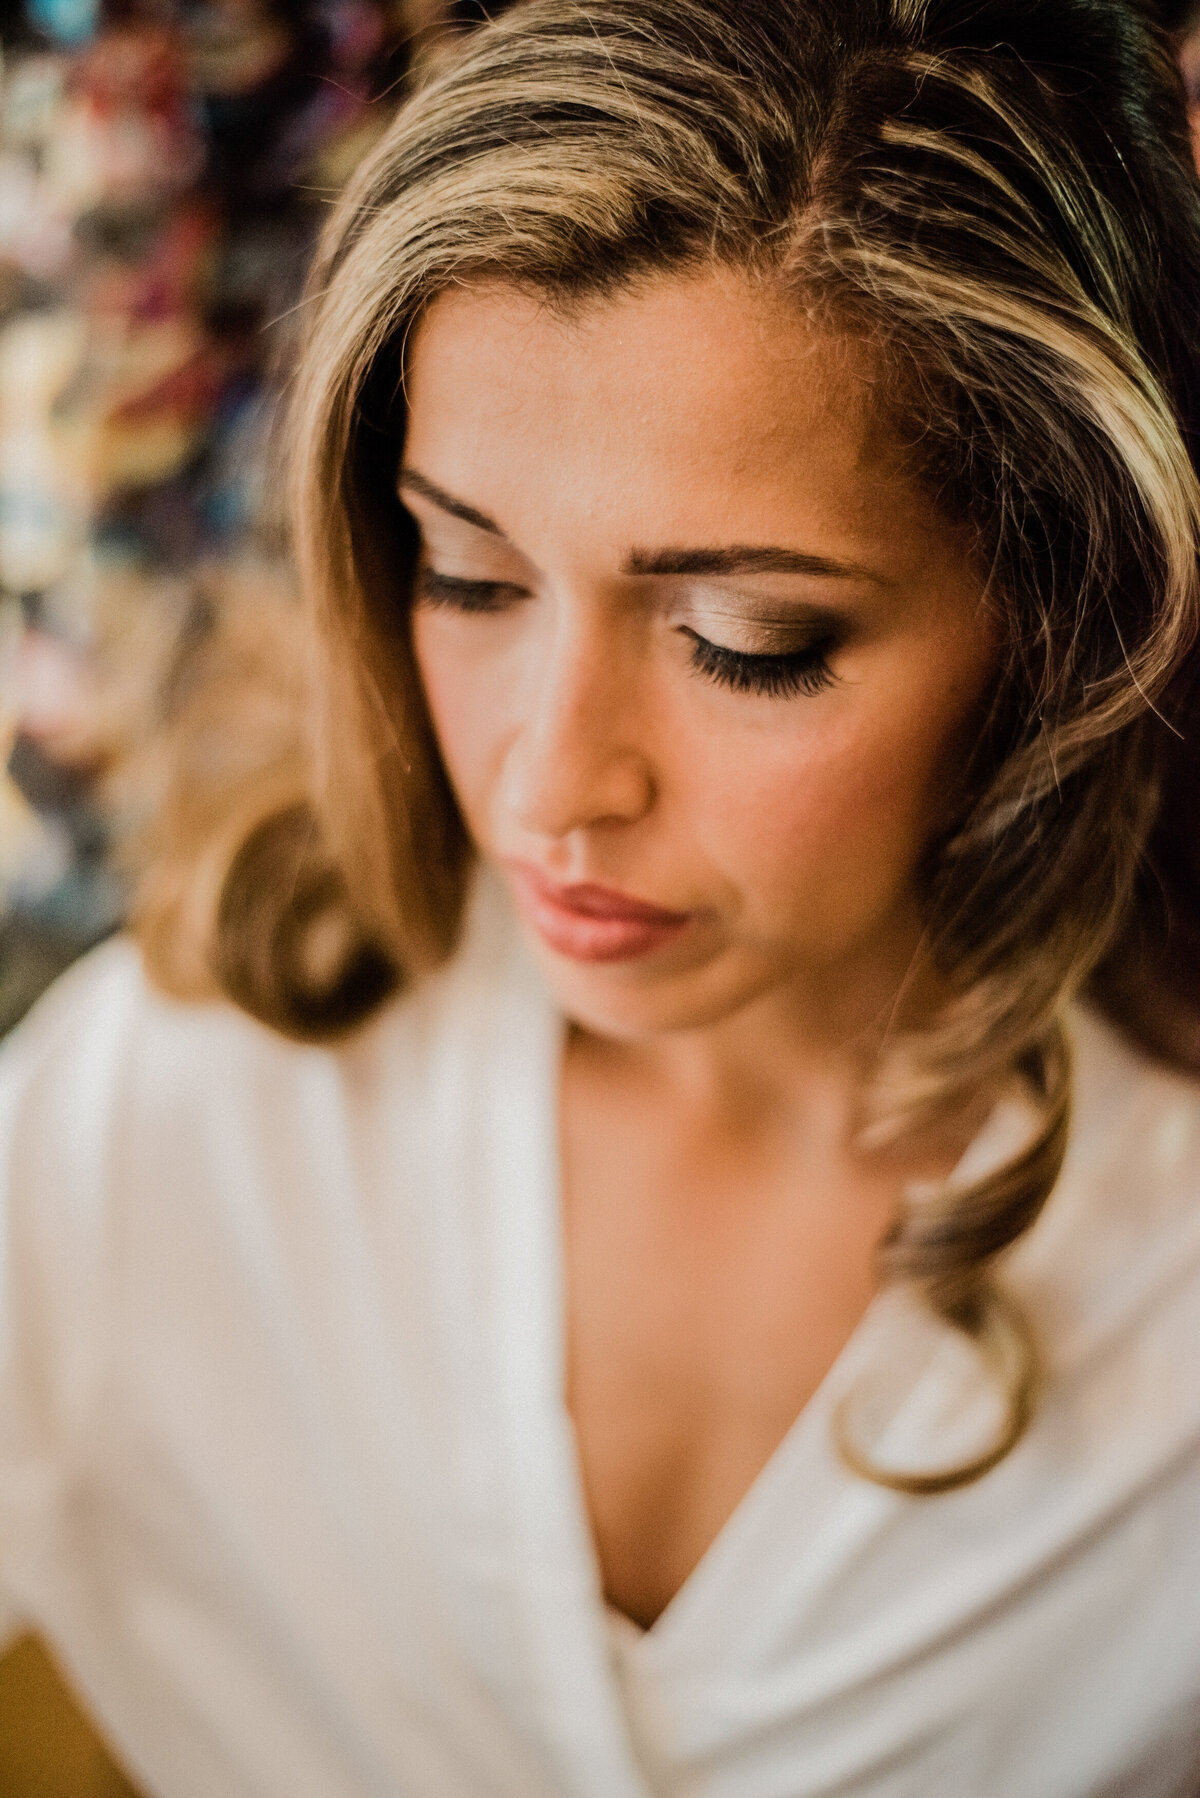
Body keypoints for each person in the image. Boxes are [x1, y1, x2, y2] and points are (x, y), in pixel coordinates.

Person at [2, 1, 1200, 1793]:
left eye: (750, 643)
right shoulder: (185, 1102)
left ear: (1062, 618)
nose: (552, 781)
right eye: (469, 578)